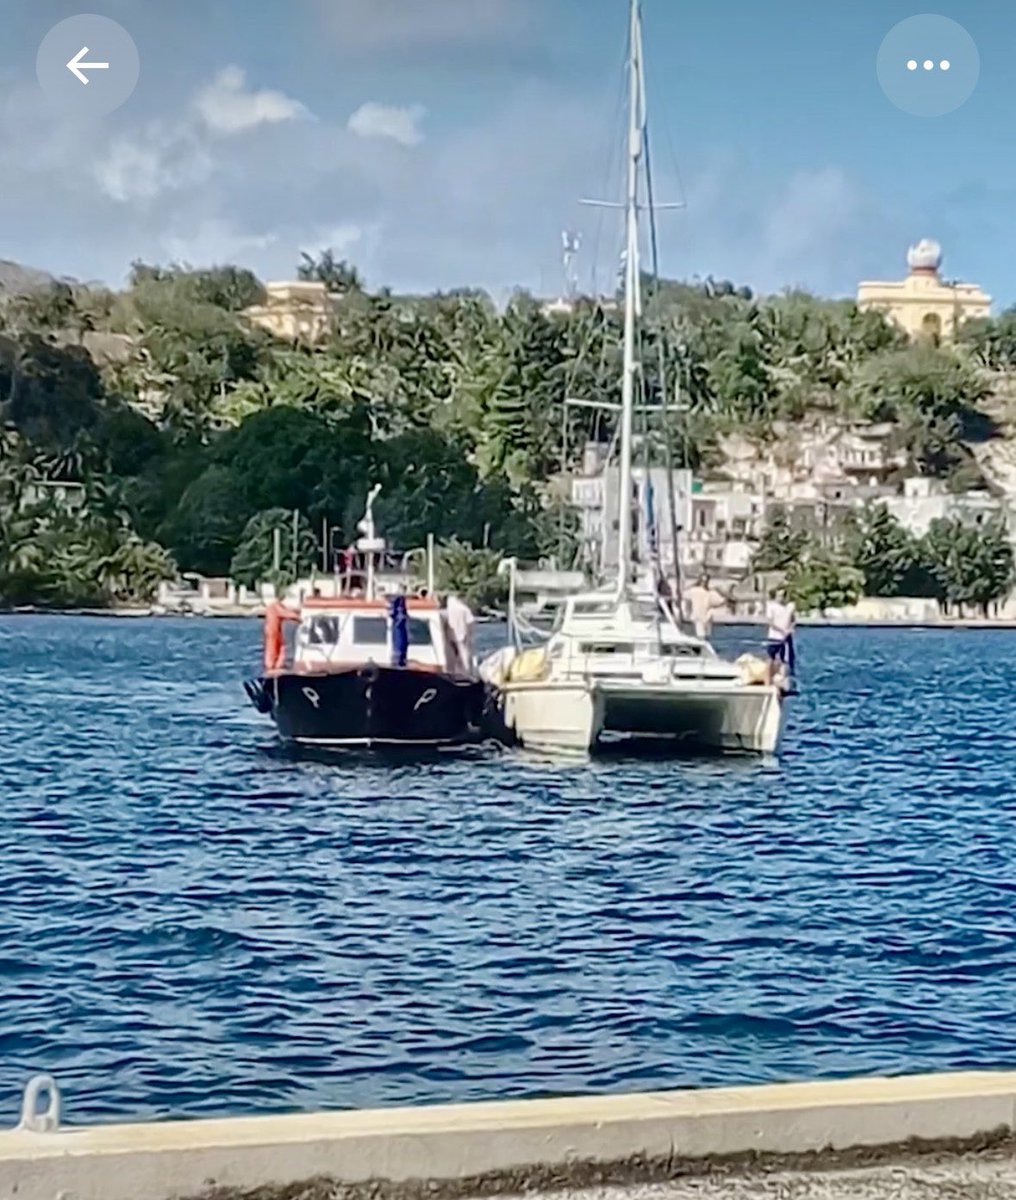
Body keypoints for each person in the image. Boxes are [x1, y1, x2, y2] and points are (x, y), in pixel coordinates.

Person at [765, 585, 797, 684]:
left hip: (786, 637)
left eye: (783, 595)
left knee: (784, 659)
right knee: (771, 658)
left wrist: (790, 628)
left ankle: (783, 680)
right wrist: (782, 630)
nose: (781, 598)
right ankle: (768, 681)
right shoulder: (771, 606)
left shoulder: (790, 606)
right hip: (774, 637)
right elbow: (770, 622)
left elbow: (793, 620)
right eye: (779, 596)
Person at [683, 573, 728, 640]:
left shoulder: (709, 592)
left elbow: (721, 601)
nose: (704, 582)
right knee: (702, 636)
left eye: (705, 581)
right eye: (703, 581)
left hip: (706, 617)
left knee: (705, 636)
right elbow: (684, 595)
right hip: (699, 617)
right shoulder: (695, 591)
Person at [263, 597, 300, 672]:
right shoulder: (274, 606)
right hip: (273, 631)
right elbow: (285, 613)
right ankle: (273, 666)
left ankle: (276, 665)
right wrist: (299, 617)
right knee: (274, 647)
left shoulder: (275, 606)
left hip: (274, 630)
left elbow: (285, 611)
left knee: (278, 647)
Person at [444, 591, 476, 674]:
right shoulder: (464, 609)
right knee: (464, 653)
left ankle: (452, 671)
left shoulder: (447, 610)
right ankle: (466, 671)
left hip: (449, 635)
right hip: (462, 633)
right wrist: (469, 635)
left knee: (451, 655)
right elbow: (470, 621)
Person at [388, 590, 409, 668]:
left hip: (399, 653)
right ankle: (399, 658)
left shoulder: (399, 618)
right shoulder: (400, 619)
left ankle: (398, 658)